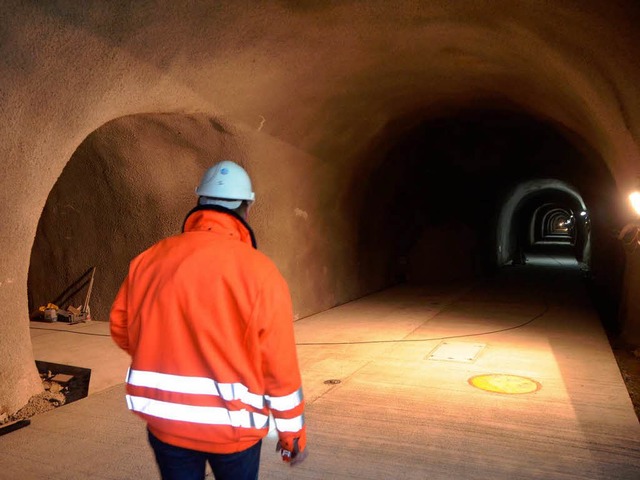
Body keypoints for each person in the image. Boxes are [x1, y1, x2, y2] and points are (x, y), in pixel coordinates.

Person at [110, 160, 307, 480]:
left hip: (167, 424)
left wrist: (163, 348)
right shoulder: (260, 272)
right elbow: (279, 367)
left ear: (199, 203)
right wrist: (291, 435)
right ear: (246, 208)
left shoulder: (149, 259)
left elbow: (121, 326)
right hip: (234, 434)